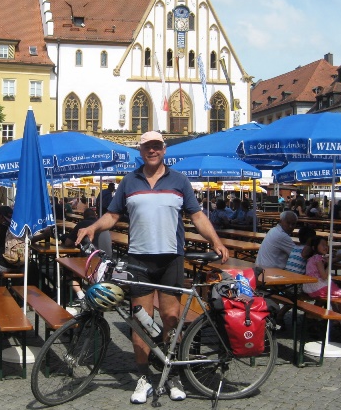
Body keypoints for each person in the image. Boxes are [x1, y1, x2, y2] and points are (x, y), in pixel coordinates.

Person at [76, 131, 228, 404]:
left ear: (164, 149)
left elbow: (197, 215)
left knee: (171, 319)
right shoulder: (129, 181)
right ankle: (143, 377)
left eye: (157, 146)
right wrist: (92, 226)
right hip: (139, 259)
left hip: (171, 258)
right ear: (141, 150)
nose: (153, 151)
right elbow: (112, 215)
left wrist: (216, 240)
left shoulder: (179, 180)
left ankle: (173, 375)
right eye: (148, 147)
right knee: (141, 321)